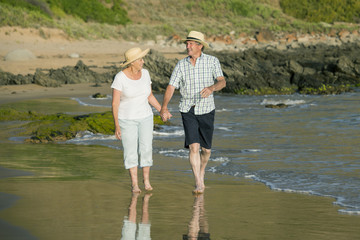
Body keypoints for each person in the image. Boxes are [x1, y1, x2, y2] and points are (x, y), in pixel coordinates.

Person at [160, 31, 226, 194]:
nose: (187, 46)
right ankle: (198, 181)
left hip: (207, 109)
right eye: (187, 43)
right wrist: (164, 107)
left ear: (199, 45)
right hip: (187, 108)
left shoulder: (212, 61)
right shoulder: (181, 64)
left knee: (206, 150)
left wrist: (212, 88)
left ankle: (202, 169)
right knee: (193, 147)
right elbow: (171, 86)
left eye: (190, 43)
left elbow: (222, 81)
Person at [112, 47, 162, 193]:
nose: (143, 61)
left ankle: (146, 181)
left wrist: (161, 110)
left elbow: (150, 96)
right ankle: (134, 184)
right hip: (126, 119)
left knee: (146, 148)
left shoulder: (145, 74)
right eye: (140, 59)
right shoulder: (120, 77)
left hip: (146, 117)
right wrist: (117, 125)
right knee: (130, 151)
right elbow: (115, 103)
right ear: (132, 62)